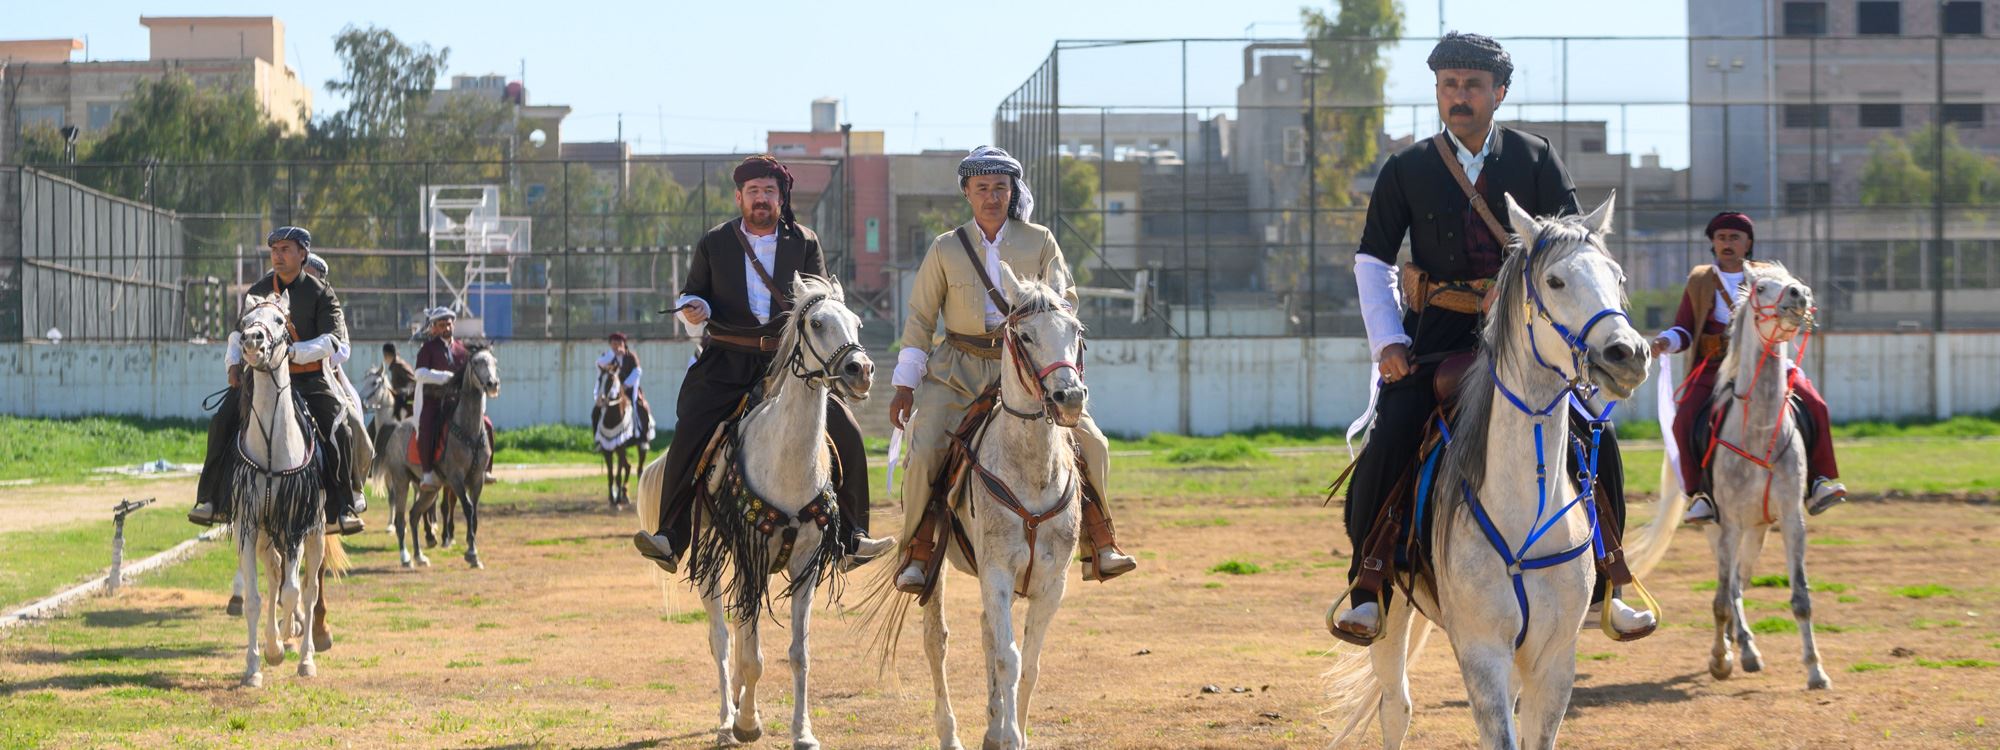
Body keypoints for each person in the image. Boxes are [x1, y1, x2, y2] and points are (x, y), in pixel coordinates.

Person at [1332, 33, 1652, 641]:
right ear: (1437, 91)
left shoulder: (1535, 159)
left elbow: (1579, 246)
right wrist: (1388, 343)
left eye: (1472, 85)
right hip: (1437, 334)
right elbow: (1372, 259)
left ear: (1498, 92)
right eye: (1449, 85)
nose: (1459, 96)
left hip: (1529, 334)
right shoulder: (1407, 168)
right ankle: (1367, 580)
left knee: (1596, 434)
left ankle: (1611, 580)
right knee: (1392, 434)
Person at [887, 145, 1137, 594]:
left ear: (1011, 191)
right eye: (981, 188)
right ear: (967, 192)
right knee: (926, 450)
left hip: (1027, 368)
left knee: (1092, 444)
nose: (991, 196)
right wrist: (906, 385)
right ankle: (917, 552)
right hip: (958, 370)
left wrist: (1042, 335)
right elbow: (921, 318)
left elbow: (1067, 303)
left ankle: (1099, 541)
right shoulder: (945, 248)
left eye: (1000, 188)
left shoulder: (1040, 240)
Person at [632, 155, 892, 572]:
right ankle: (671, 536)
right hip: (726, 360)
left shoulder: (804, 242)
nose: (761, 199)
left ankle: (852, 538)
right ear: (739, 197)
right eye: (753, 192)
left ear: (781, 197)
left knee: (848, 429)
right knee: (692, 427)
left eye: (769, 192)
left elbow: (822, 300)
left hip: (789, 364)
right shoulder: (714, 242)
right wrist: (694, 307)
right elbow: (691, 294)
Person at [1651, 211, 1846, 525]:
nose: (1727, 243)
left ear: (1748, 242)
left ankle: (1819, 482)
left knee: (1816, 405)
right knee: (1683, 420)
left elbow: (1792, 312)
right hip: (1714, 367)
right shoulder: (1700, 280)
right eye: (1721, 237)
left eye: (1735, 237)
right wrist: (1665, 341)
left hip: (1767, 362)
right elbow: (1685, 329)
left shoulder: (1770, 275)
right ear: (1713, 243)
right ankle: (1700, 494)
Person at [188, 226, 364, 535]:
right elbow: (236, 333)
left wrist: (294, 353)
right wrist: (233, 364)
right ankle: (211, 500)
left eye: (285, 249)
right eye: (274, 250)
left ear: (302, 254)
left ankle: (343, 506)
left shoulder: (321, 292)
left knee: (340, 430)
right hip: (260, 379)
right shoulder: (258, 291)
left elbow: (333, 341)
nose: (278, 256)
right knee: (221, 422)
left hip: (308, 379)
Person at [412, 308, 497, 490]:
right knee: (426, 426)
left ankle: (485, 469)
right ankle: (428, 474)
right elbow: (419, 373)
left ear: (453, 325)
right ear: (434, 327)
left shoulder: (461, 350)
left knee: (487, 425)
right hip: (434, 401)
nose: (446, 328)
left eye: (448, 324)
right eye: (441, 325)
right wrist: (443, 376)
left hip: (458, 402)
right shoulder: (428, 349)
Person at [593, 332, 651, 439]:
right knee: (595, 411)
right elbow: (599, 364)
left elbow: (638, 371)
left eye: (619, 343)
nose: (616, 346)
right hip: (610, 391)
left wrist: (625, 385)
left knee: (641, 408)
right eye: (613, 344)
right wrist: (612, 355)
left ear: (624, 344)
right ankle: (598, 438)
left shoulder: (630, 356)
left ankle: (643, 436)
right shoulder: (607, 356)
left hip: (629, 390)